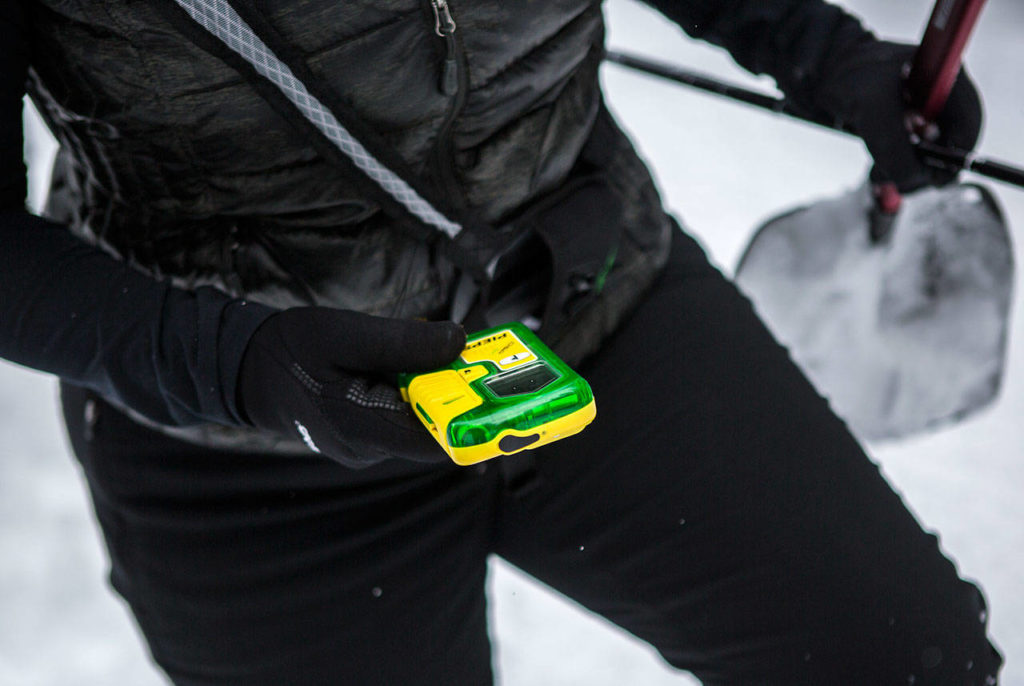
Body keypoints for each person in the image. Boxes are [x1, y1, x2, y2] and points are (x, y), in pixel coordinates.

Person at [0, 0, 1003, 684]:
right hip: (247, 443)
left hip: (593, 304)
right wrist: (237, 364)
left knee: (902, 658)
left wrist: (817, 48)